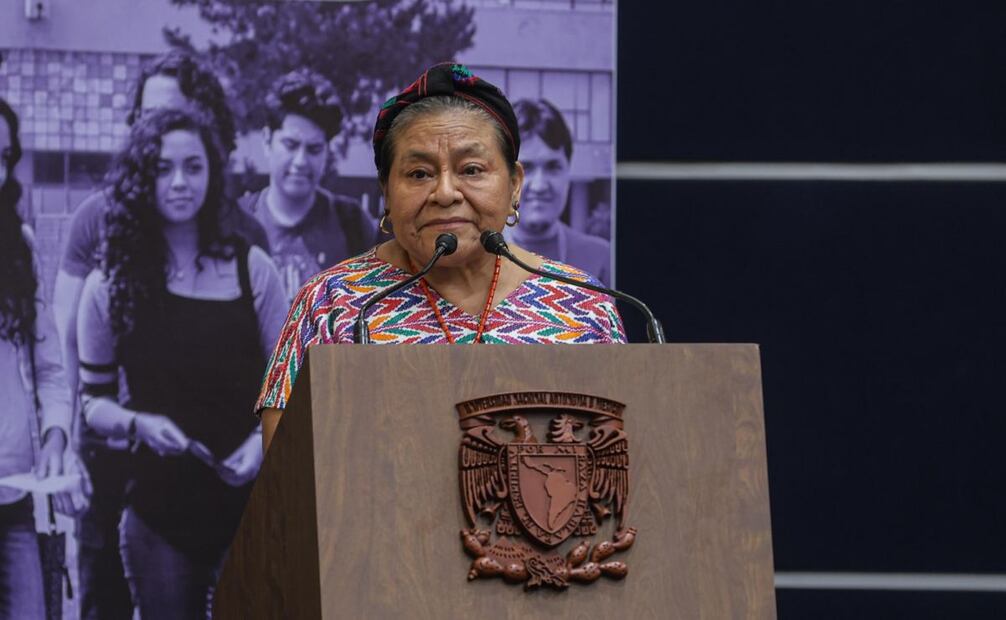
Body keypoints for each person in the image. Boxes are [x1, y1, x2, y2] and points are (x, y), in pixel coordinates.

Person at [257, 63, 626, 449]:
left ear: (515, 184)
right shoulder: (330, 303)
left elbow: (620, 463)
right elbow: (289, 488)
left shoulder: (583, 304)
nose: (446, 192)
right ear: (386, 191)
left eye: (471, 169)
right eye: (419, 174)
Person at [50, 49, 269, 620]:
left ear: (213, 171)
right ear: (140, 173)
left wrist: (264, 441)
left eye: (193, 167)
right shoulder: (110, 284)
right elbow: (90, 398)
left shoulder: (252, 267)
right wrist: (138, 424)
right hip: (155, 511)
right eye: (163, 168)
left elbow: (301, 378)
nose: (179, 182)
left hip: (248, 503)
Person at [0, 98, 72, 616]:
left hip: (15, 499)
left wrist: (54, 438)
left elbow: (49, 368)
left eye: (4, 155)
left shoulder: (18, 246)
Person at [241, 68, 376, 301]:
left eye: (314, 149)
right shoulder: (238, 223)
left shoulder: (352, 224)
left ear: (327, 151)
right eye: (291, 145)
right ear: (266, 141)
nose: (301, 162)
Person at [510, 98, 611, 287]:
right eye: (527, 168)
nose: (539, 186)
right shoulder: (477, 256)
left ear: (568, 172)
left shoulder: (600, 258)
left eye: (553, 167)